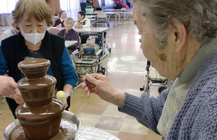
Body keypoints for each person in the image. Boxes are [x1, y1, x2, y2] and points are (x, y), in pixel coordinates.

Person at [82, 0, 217, 139]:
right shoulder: (192, 69)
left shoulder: (212, 113)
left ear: (175, 35)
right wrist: (113, 95)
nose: (141, 48)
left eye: (141, 34)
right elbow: (163, 113)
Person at [0, 0, 78, 118]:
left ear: (47, 23)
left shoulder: (57, 44)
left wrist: (65, 96)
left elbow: (70, 75)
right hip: (23, 108)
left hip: (54, 104)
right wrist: (14, 93)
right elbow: (1, 74)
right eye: (27, 26)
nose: (35, 31)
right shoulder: (7, 46)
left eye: (40, 25)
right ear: (17, 24)